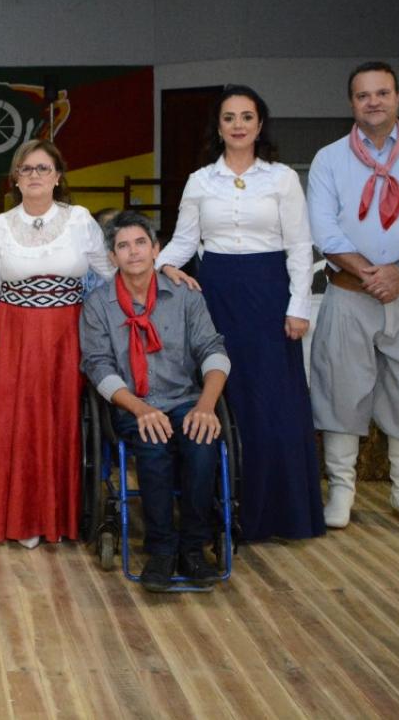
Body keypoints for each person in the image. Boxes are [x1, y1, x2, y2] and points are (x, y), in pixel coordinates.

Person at [156, 85, 325, 542]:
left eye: (246, 117)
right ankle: (219, 509)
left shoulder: (282, 179)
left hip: (269, 297)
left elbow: (299, 246)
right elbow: (184, 241)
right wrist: (163, 265)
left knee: (272, 404)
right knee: (222, 397)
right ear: (218, 127)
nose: (238, 125)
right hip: (216, 296)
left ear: (259, 124)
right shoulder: (200, 180)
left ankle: (279, 514)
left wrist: (298, 306)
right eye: (229, 117)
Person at [307, 62, 399, 532]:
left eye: (382, 93)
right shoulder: (329, 159)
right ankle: (342, 491)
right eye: (363, 95)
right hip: (349, 294)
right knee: (340, 393)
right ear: (351, 103)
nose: (373, 101)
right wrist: (370, 274)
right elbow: (324, 230)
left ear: (398, 97)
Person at [0, 140, 113, 547]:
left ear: (58, 176)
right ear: (16, 178)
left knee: (58, 424)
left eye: (43, 168)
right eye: (26, 169)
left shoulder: (80, 220)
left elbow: (109, 275)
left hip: (67, 337)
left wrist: (155, 280)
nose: (35, 176)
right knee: (17, 425)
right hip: (12, 338)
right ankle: (17, 518)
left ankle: (54, 517)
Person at [80, 211, 230, 592]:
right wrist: (140, 408)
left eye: (140, 243)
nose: (133, 252)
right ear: (112, 257)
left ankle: (193, 548)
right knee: (152, 441)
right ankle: (161, 549)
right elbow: (97, 365)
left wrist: (206, 406)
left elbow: (213, 350)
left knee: (202, 441)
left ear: (156, 249)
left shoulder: (184, 295)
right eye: (123, 246)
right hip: (131, 404)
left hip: (185, 399)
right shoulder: (98, 305)